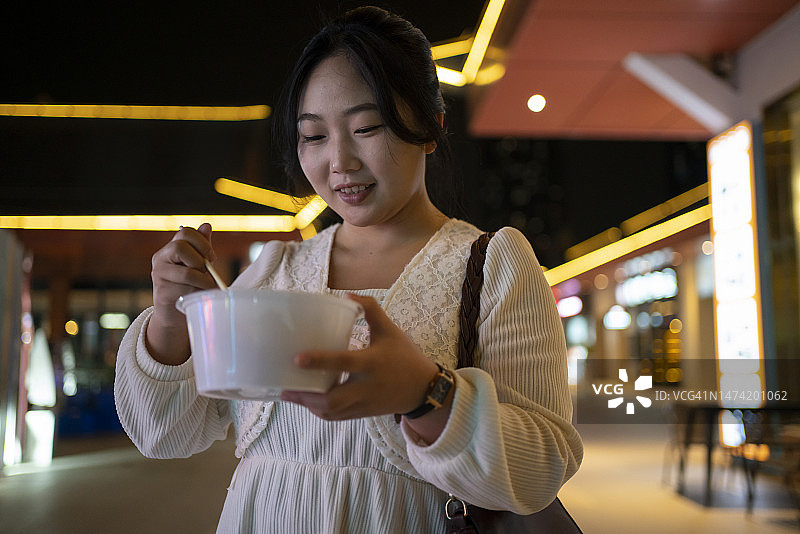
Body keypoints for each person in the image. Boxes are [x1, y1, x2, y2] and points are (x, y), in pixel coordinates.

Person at [114, 6, 583, 533]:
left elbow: (542, 468)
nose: (339, 161)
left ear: (430, 127)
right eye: (314, 135)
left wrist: (425, 394)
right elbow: (168, 435)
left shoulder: (493, 265)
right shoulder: (276, 267)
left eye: (367, 127)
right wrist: (170, 323)